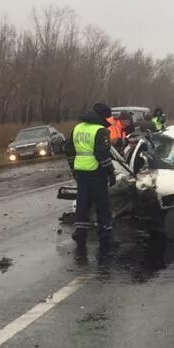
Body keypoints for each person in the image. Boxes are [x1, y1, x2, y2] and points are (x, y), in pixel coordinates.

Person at [68, 103, 116, 251]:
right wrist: (111, 172)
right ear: (102, 116)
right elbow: (102, 155)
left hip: (81, 172)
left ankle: (80, 232)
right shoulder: (100, 130)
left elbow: (69, 151)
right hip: (97, 172)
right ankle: (106, 234)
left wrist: (74, 170)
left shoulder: (77, 128)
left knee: (83, 203)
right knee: (102, 204)